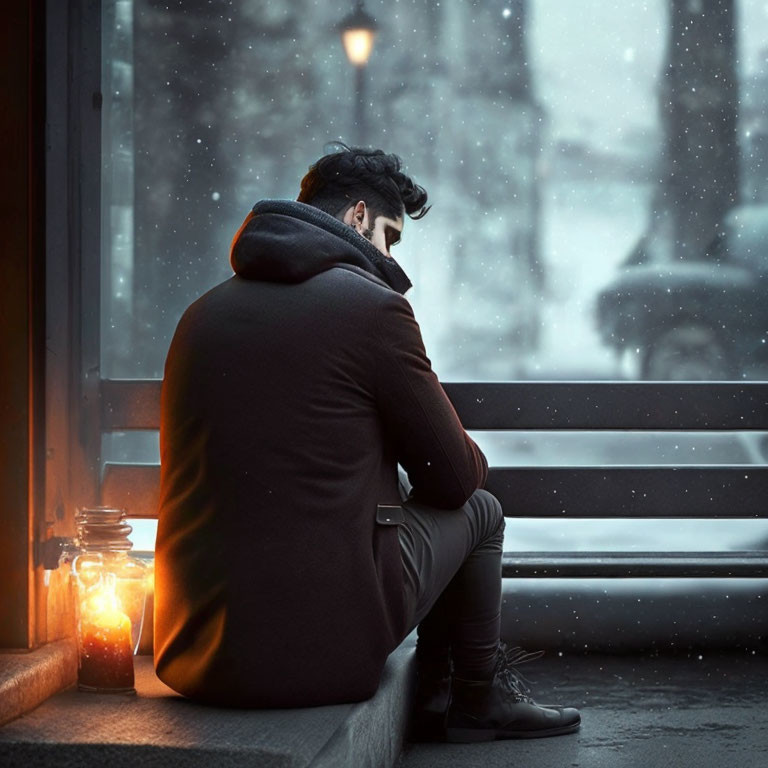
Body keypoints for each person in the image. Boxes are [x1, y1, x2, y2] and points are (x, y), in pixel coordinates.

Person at [154, 143, 580, 742]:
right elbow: (455, 480)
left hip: (190, 652)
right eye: (390, 237)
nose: (388, 256)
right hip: (319, 656)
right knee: (482, 511)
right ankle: (472, 699)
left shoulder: (199, 315)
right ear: (356, 218)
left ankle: (439, 694)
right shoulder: (371, 310)